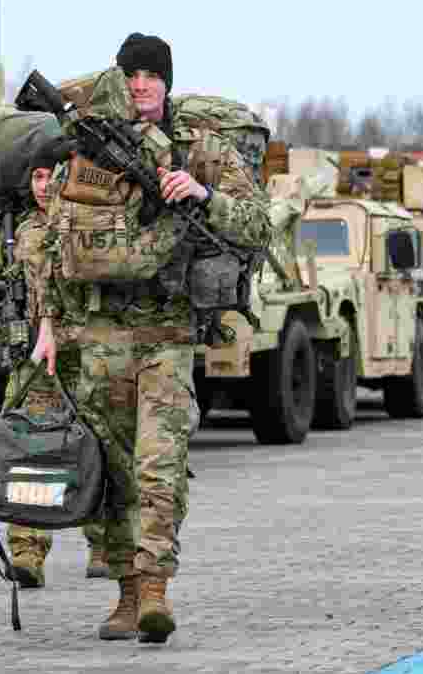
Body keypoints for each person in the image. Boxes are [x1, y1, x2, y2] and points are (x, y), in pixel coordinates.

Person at [32, 32, 271, 643]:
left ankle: (157, 590)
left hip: (165, 332)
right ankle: (126, 594)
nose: (141, 86)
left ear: (167, 82)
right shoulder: (86, 147)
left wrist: (203, 193)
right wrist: (47, 326)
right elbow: (54, 239)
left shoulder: (201, 147)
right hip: (97, 333)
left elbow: (256, 223)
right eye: (132, 75)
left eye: (152, 76)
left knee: (160, 466)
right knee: (109, 472)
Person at [0, 151, 107, 589]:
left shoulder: (93, 223)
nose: (44, 185)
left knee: (102, 449)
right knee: (27, 452)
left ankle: (105, 544)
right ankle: (27, 552)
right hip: (33, 364)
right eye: (37, 176)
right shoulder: (15, 233)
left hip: (90, 359)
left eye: (53, 176)